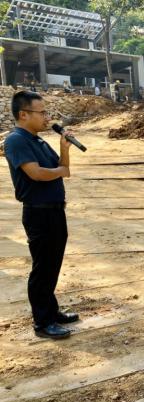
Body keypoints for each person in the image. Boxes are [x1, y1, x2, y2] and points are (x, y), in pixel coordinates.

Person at [3, 91, 80, 339]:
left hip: (55, 211)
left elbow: (61, 166)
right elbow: (36, 173)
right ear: (23, 114)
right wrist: (61, 171)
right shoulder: (16, 140)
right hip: (38, 213)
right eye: (42, 112)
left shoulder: (37, 140)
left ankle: (51, 311)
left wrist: (64, 149)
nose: (46, 117)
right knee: (42, 268)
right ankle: (42, 322)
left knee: (52, 265)